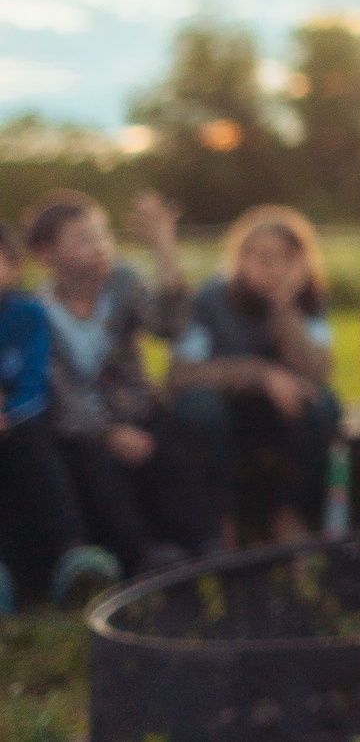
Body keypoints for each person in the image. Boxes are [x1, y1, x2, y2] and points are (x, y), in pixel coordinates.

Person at [23, 190, 216, 572]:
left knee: (170, 447)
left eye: (103, 234)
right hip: (82, 429)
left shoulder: (124, 284)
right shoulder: (37, 312)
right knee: (95, 466)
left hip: (138, 410)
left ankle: (205, 543)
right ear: (47, 254)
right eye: (83, 239)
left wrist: (164, 250)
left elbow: (171, 326)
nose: (99, 246)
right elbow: (59, 392)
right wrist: (109, 432)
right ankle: (139, 554)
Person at [169, 205, 343, 545]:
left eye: (287, 258)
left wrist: (284, 309)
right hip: (225, 412)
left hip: (280, 417)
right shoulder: (211, 302)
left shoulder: (310, 303)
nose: (275, 268)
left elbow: (316, 372)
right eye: (263, 258)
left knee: (324, 407)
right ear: (241, 259)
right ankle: (223, 519)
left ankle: (288, 514)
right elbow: (181, 374)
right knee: (200, 410)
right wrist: (259, 375)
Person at [0, 220, 120, 613]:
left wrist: (10, 413)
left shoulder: (28, 314)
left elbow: (35, 379)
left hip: (23, 423)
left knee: (35, 447)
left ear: (14, 265)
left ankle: (71, 553)